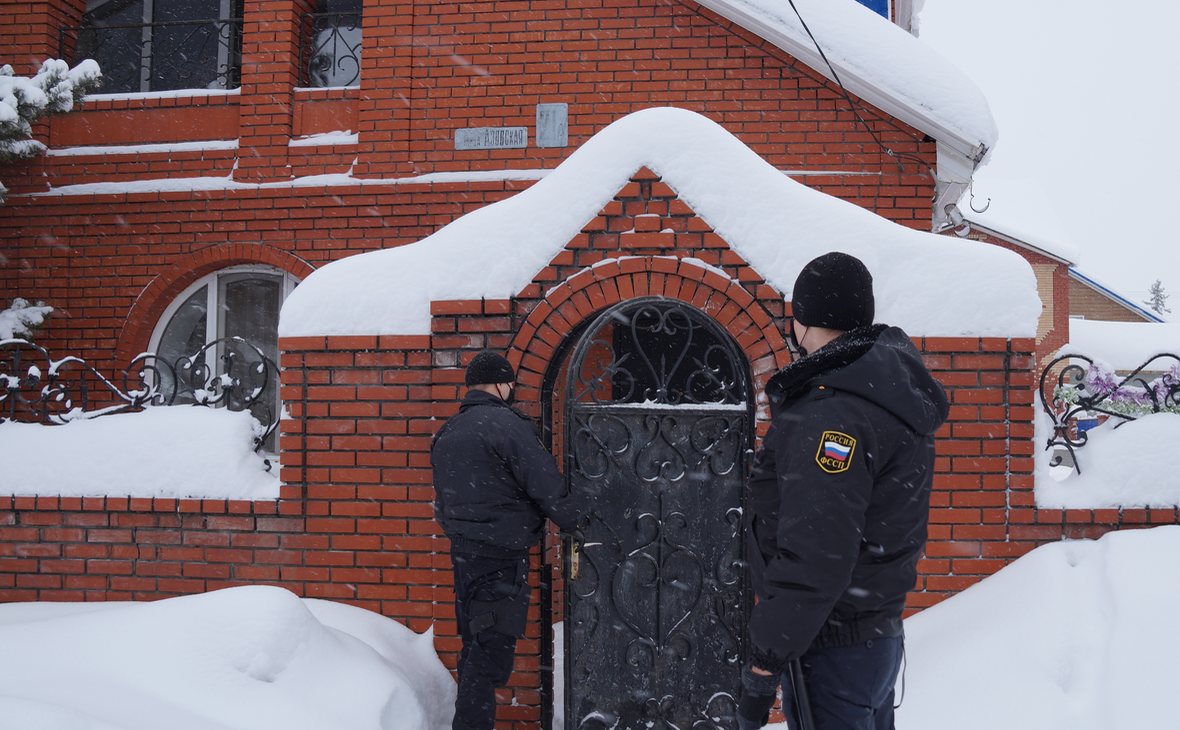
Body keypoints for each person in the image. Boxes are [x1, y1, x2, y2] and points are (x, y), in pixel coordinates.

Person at [738, 252, 950, 730]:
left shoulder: (832, 414)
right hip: (873, 637)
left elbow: (818, 550)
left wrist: (766, 657)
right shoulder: (886, 393)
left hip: (833, 649)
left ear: (803, 321)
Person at [431, 350, 581, 730]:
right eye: (511, 384)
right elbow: (547, 487)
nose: (512, 390)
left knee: (475, 648)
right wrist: (576, 518)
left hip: (464, 557)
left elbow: (443, 500)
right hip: (500, 560)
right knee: (489, 658)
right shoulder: (508, 427)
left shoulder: (448, 431)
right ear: (500, 384)